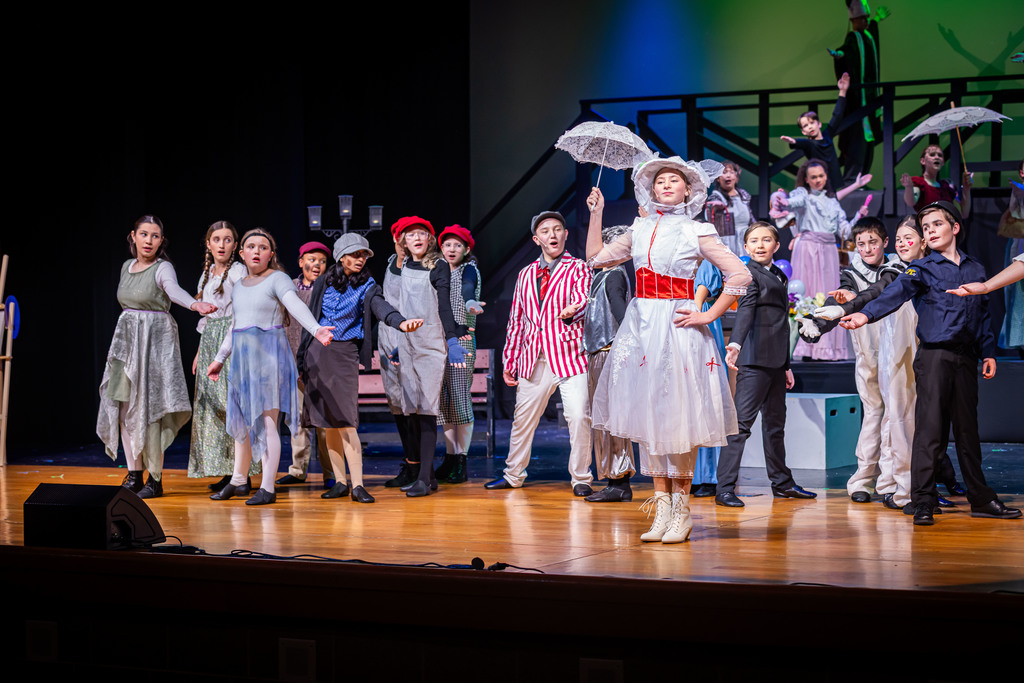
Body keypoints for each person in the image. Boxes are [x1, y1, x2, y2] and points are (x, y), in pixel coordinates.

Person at [586, 157, 751, 543]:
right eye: (660, 180)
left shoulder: (697, 230)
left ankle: (682, 510)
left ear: (688, 189)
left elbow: (740, 274)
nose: (665, 185)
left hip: (678, 326)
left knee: (678, 415)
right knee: (651, 416)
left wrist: (708, 313)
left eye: (673, 180)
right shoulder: (639, 228)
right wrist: (596, 213)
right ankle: (662, 509)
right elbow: (595, 258)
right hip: (643, 325)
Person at [842, 201, 1021, 524]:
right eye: (926, 228)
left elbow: (982, 315)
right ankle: (922, 500)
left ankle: (980, 498)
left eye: (937, 224)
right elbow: (893, 294)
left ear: (955, 227)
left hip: (965, 357)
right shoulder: (922, 269)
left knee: (967, 431)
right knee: (929, 431)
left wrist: (988, 352)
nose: (931, 231)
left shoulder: (975, 268)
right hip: (934, 356)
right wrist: (865, 315)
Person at [812, 216, 960, 509]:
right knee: (886, 415)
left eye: (874, 242)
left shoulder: (917, 268)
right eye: (861, 244)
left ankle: (907, 484)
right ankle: (883, 483)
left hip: (914, 350)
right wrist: (827, 316)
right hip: (880, 354)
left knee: (915, 418)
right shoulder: (888, 272)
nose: (867, 248)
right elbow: (869, 295)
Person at [207, 229, 333, 505]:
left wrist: (316, 329)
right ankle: (238, 480)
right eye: (251, 246)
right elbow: (235, 325)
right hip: (243, 360)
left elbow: (294, 305)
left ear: (271, 255)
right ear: (242, 253)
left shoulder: (278, 279)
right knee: (242, 420)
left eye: (263, 247)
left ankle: (267, 487)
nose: (256, 251)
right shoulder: (239, 286)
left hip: (268, 358)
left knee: (266, 422)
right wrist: (219, 358)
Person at [297, 234, 422, 503]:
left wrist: (400, 322)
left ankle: (358, 485)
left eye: (364, 255)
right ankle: (340, 482)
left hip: (345, 353)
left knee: (346, 420)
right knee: (328, 422)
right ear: (341, 256)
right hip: (317, 354)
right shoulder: (323, 282)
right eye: (355, 254)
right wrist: (301, 360)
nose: (361, 259)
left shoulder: (368, 285)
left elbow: (381, 307)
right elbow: (310, 321)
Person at [98, 215, 216, 498]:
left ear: (162, 240)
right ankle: (134, 475)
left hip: (155, 343)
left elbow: (173, 291)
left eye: (155, 236)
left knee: (150, 410)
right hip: (126, 344)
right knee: (125, 408)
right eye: (144, 234)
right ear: (133, 236)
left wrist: (194, 304)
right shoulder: (126, 266)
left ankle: (155, 479)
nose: (149, 240)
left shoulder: (163, 267)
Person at [485, 211, 594, 496]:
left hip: (570, 355)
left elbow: (584, 298)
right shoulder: (525, 274)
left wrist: (573, 310)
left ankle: (581, 478)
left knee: (578, 416)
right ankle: (513, 474)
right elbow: (517, 320)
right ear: (537, 239)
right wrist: (510, 361)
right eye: (545, 231)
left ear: (565, 235)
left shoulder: (578, 267)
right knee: (523, 419)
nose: (552, 235)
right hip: (534, 358)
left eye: (557, 229)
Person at [715, 222, 812, 508]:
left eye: (766, 240)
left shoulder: (778, 274)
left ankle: (782, 483)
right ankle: (724, 489)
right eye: (754, 240)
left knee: (775, 426)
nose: (760, 245)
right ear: (745, 247)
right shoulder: (748, 275)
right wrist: (735, 344)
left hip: (776, 363)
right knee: (740, 426)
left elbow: (780, 325)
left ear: (776, 245)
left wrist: (786, 365)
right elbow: (745, 311)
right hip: (755, 361)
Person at [385, 217, 469, 498]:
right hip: (408, 344)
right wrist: (400, 344)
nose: (417, 238)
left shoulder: (438, 265)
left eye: (422, 233)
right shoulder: (405, 266)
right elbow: (402, 307)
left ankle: (423, 478)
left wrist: (452, 340)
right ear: (404, 242)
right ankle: (429, 476)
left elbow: (444, 307)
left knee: (427, 411)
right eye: (411, 235)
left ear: (430, 239)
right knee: (412, 410)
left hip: (431, 345)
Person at [772, 158, 867, 360]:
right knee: (807, 294)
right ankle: (806, 346)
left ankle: (826, 348)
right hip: (808, 249)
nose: (817, 180)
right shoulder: (803, 195)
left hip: (828, 250)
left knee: (828, 295)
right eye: (813, 177)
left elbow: (844, 230)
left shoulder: (832, 202)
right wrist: (784, 201)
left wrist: (858, 216)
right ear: (806, 179)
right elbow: (794, 202)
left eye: (821, 176)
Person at [188, 220, 256, 490]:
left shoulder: (238, 271)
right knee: (215, 410)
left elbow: (242, 309)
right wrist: (199, 352)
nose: (222, 245)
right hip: (210, 342)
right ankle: (228, 471)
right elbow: (205, 319)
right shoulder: (206, 274)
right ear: (208, 244)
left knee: (234, 407)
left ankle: (243, 473)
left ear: (235, 245)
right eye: (217, 239)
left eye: (228, 240)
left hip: (231, 339)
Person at [581, 225, 636, 503]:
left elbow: (620, 311)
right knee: (603, 418)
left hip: (609, 352)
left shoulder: (613, 275)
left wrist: (626, 344)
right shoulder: (601, 276)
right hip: (599, 352)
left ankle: (620, 480)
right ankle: (614, 479)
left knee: (611, 417)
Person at [278, 241, 335, 488]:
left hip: (321, 364)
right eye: (312, 260)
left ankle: (331, 473)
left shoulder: (329, 289)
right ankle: (298, 469)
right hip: (292, 361)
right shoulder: (288, 288)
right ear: (301, 262)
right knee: (297, 419)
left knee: (323, 421)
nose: (317, 265)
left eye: (322, 261)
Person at [434, 224, 484, 484]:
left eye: (457, 245)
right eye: (447, 245)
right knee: (444, 404)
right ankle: (450, 457)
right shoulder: (439, 271)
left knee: (459, 400)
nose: (452, 249)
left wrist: (470, 303)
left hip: (462, 341)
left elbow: (467, 288)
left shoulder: (469, 269)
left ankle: (461, 460)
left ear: (466, 249)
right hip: (440, 342)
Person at [830, 1, 890, 183]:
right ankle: (851, 180)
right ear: (853, 21)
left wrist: (877, 19)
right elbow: (846, 50)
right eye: (862, 19)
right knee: (857, 141)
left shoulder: (868, 37)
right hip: (858, 102)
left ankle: (862, 178)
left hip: (870, 100)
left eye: (866, 18)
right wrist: (839, 56)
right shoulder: (853, 37)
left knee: (869, 141)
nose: (865, 21)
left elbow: (873, 36)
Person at [690, 259, 727, 498]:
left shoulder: (705, 257)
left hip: (700, 319)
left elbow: (703, 289)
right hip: (679, 318)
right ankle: (690, 473)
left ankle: (710, 475)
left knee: (707, 398)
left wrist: (693, 310)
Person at [780, 73, 851, 191]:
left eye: (812, 123)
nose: (809, 127)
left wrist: (842, 91)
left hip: (833, 183)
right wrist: (793, 141)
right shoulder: (810, 144)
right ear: (803, 131)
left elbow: (837, 115)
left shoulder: (828, 135)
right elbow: (802, 143)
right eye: (805, 126)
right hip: (818, 185)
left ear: (819, 124)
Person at [900, 144, 972, 217]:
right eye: (932, 155)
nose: (937, 157)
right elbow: (911, 202)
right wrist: (909, 187)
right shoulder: (919, 183)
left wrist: (966, 189)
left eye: (940, 155)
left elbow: (963, 214)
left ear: (943, 162)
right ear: (923, 161)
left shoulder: (946, 186)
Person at [704, 161, 753, 257]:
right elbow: (708, 214)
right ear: (718, 178)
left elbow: (751, 217)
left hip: (746, 238)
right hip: (728, 242)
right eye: (724, 172)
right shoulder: (716, 196)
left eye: (731, 172)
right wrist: (715, 208)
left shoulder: (743, 195)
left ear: (736, 176)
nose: (728, 175)